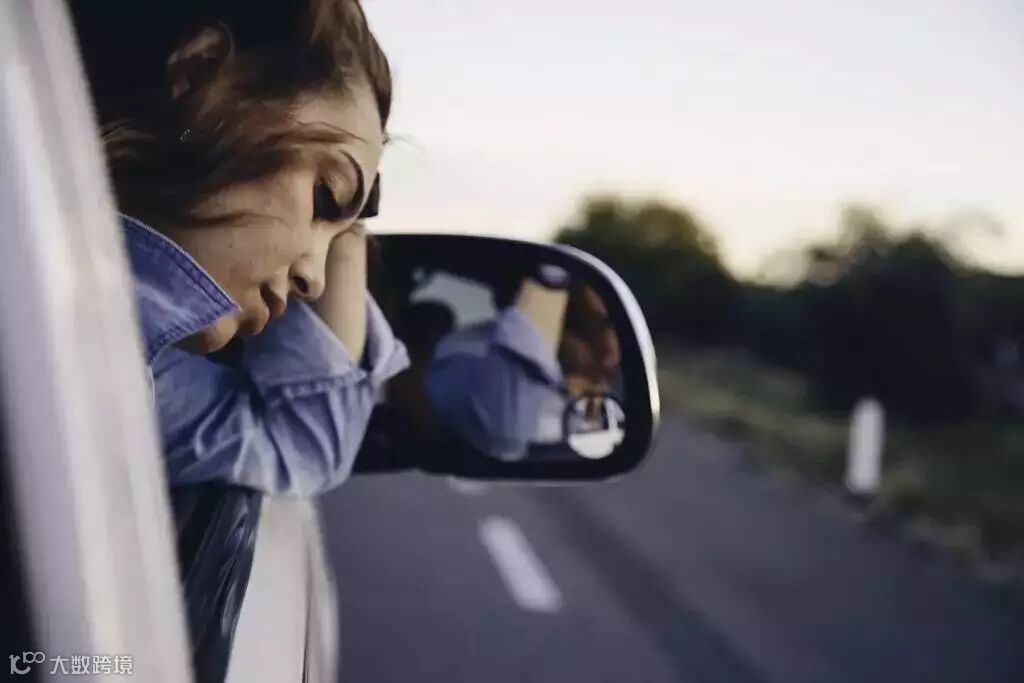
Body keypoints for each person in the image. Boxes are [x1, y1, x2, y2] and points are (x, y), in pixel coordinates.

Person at [70, 1, 407, 678]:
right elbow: (306, 441)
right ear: (200, 72)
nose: (314, 278)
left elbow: (301, 446)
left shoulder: (134, 371)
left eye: (336, 235)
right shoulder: (71, 348)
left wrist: (348, 216)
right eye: (324, 195)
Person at [425, 267, 622, 461]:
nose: (610, 353)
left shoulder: (613, 390)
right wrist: (550, 278)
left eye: (619, 329)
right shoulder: (464, 358)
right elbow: (509, 430)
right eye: (587, 328)